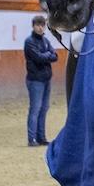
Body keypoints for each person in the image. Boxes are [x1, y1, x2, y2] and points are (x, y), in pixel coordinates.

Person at [24, 15, 58, 147]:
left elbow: (55, 56)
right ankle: (31, 138)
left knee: (44, 108)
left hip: (46, 78)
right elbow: (38, 57)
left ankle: (41, 137)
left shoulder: (45, 40)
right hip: (35, 80)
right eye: (38, 25)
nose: (40, 27)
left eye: (42, 25)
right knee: (35, 109)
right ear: (33, 26)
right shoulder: (29, 41)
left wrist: (47, 56)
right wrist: (48, 55)